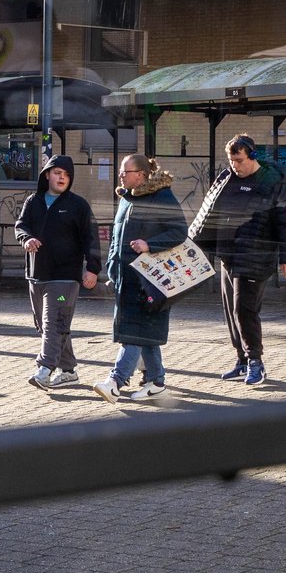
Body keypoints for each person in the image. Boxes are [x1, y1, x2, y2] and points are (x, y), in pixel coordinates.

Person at [207, 135, 286, 386]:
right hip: (229, 255)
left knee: (244, 310)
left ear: (252, 156)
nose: (235, 165)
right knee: (230, 311)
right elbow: (209, 211)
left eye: (239, 160)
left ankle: (256, 362)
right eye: (231, 160)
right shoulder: (227, 178)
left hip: (256, 255)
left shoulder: (271, 183)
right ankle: (242, 360)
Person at [96, 154, 185, 402]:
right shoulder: (127, 198)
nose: (121, 175)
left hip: (149, 281)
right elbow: (116, 239)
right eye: (121, 172)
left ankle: (116, 382)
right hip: (126, 278)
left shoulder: (162, 196)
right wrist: (112, 269)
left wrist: (149, 244)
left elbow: (179, 232)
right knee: (145, 334)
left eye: (126, 171)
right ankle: (156, 382)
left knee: (133, 333)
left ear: (143, 175)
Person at [13, 153, 97, 388]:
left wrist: (92, 269)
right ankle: (69, 371)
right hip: (37, 275)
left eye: (67, 175)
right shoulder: (33, 201)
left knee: (53, 323)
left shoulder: (78, 205)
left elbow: (90, 239)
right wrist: (26, 238)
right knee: (49, 325)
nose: (62, 178)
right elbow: (21, 225)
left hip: (65, 278)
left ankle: (44, 369)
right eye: (58, 173)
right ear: (47, 174)